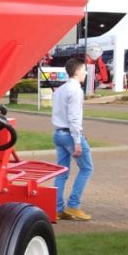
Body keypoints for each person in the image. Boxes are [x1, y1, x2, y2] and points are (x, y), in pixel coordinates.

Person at [51, 57, 93, 221]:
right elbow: (74, 118)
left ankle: (57, 208)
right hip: (70, 134)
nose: (85, 73)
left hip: (58, 133)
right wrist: (77, 141)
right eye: (83, 70)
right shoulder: (75, 90)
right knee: (87, 168)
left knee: (62, 172)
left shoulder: (60, 90)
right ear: (76, 72)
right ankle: (73, 205)